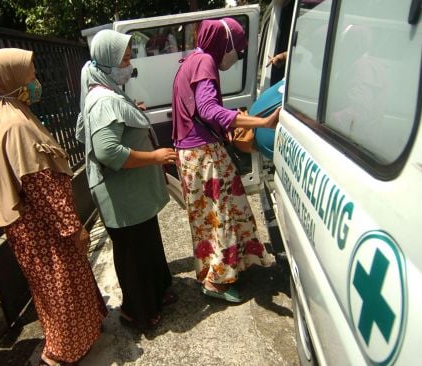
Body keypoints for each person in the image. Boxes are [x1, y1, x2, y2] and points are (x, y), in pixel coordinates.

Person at [0, 48, 107, 366]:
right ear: (12, 77)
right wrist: (73, 228)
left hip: (31, 226)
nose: (36, 80)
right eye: (31, 74)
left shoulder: (6, 110)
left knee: (56, 290)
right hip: (43, 228)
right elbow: (42, 188)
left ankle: (79, 335)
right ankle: (64, 351)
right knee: (62, 290)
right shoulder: (17, 125)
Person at [171, 18, 280, 303]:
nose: (237, 56)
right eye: (238, 51)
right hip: (204, 154)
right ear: (226, 45)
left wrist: (225, 125)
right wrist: (261, 121)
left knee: (210, 218)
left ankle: (215, 270)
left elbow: (199, 109)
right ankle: (217, 282)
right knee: (223, 215)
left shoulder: (192, 59)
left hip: (192, 153)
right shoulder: (205, 61)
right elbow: (207, 109)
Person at [76, 29, 177, 330]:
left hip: (132, 195)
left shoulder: (111, 92)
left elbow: (117, 127)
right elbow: (108, 152)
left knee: (146, 245)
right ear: (107, 61)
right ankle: (137, 312)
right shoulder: (103, 99)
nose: (129, 64)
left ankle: (157, 293)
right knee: (134, 254)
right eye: (124, 58)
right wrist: (155, 156)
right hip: (122, 198)